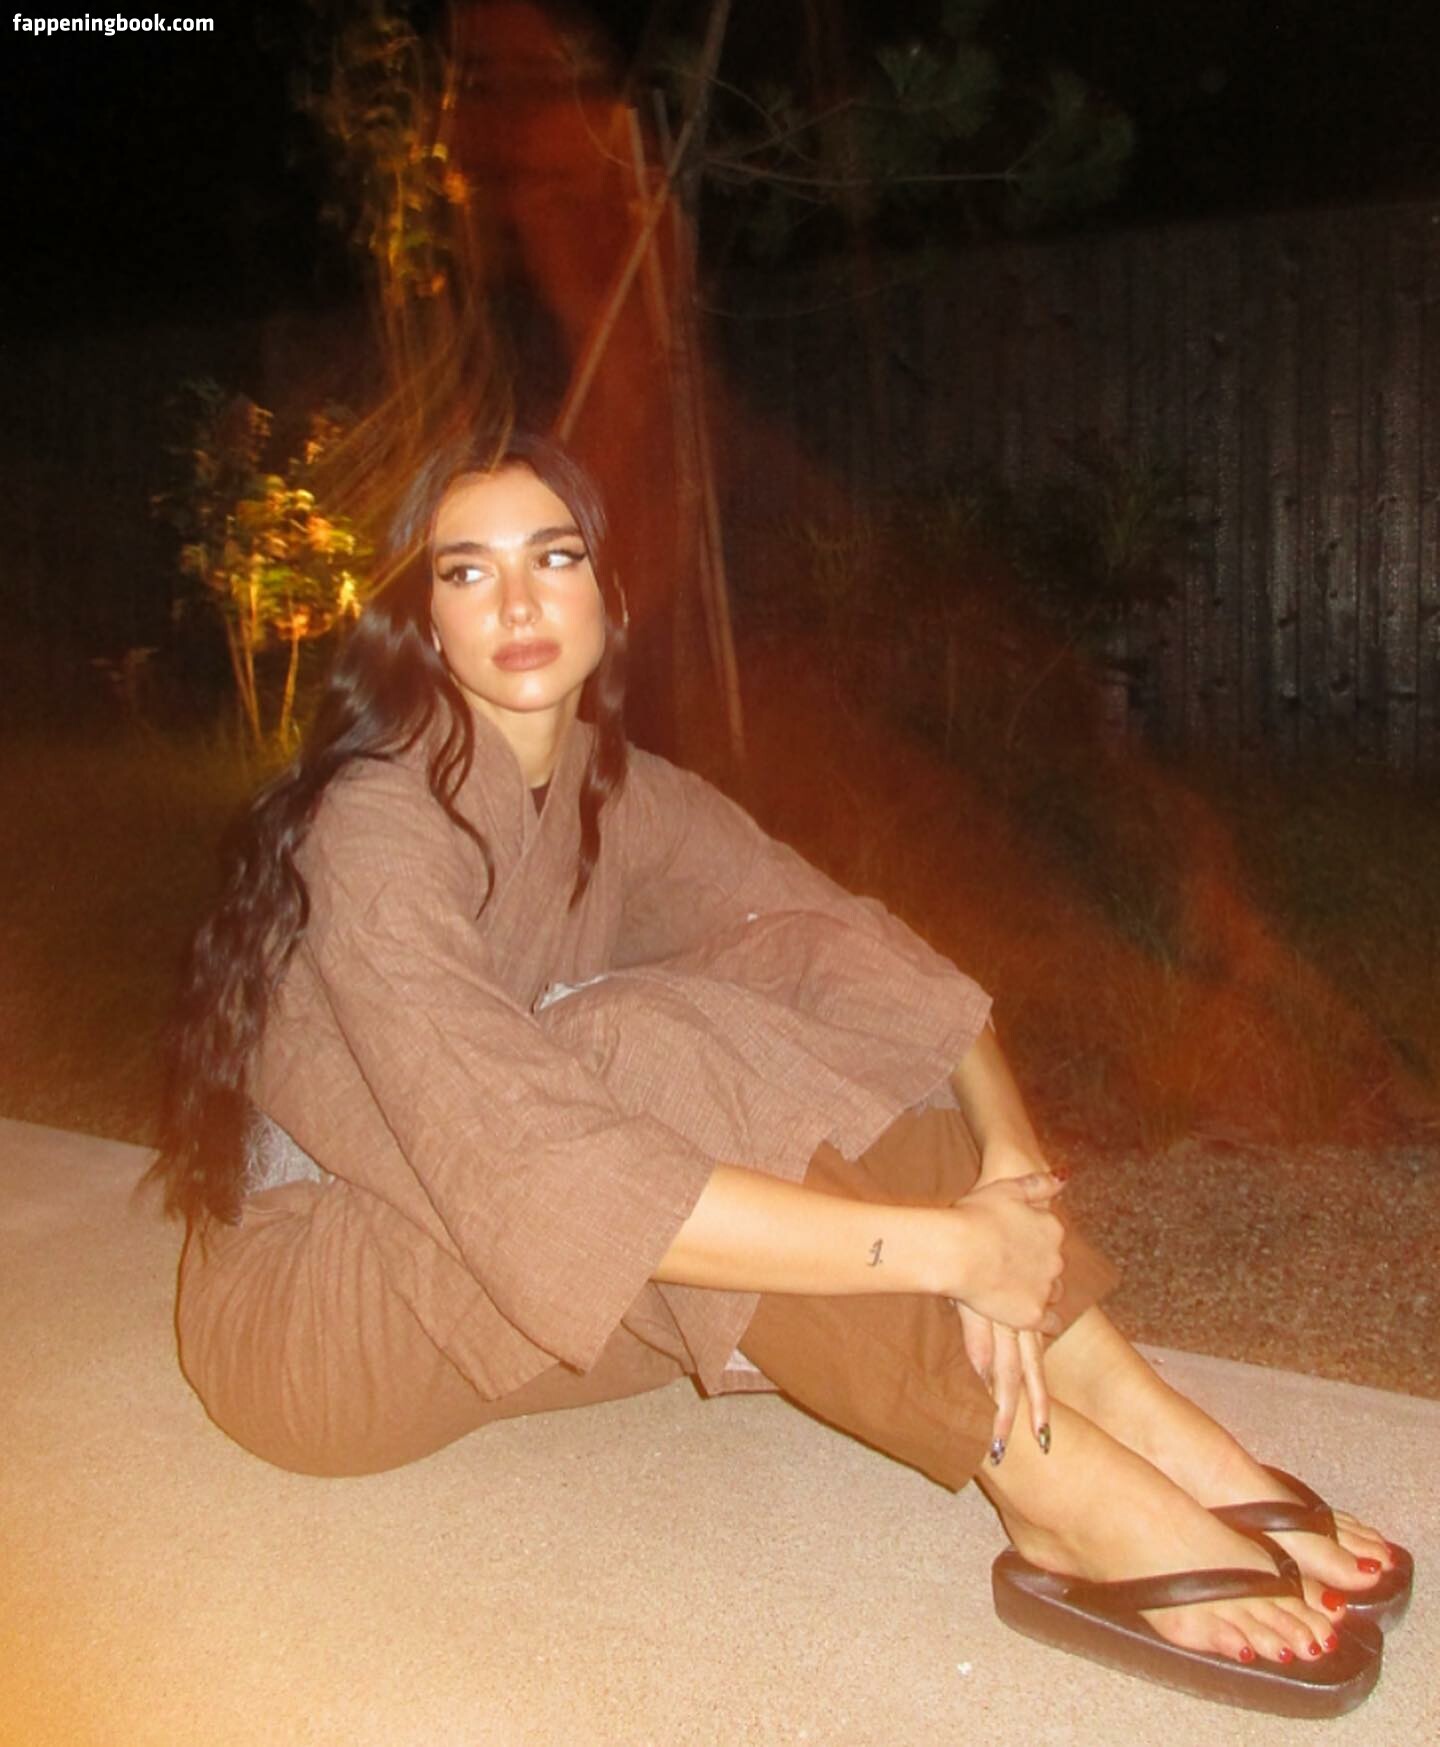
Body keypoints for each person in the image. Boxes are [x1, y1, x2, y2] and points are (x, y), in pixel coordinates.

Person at [150, 432, 1408, 1719]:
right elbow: (532, 1167)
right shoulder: (375, 823)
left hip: (524, 1263)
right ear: (423, 619)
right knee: (635, 1041)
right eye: (467, 571)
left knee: (779, 970)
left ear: (608, 594)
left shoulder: (615, 792)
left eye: (554, 557)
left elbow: (846, 941)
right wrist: (939, 1251)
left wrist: (1010, 1164)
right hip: (319, 1315)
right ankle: (1048, 1479)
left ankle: (1128, 1404)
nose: (517, 602)